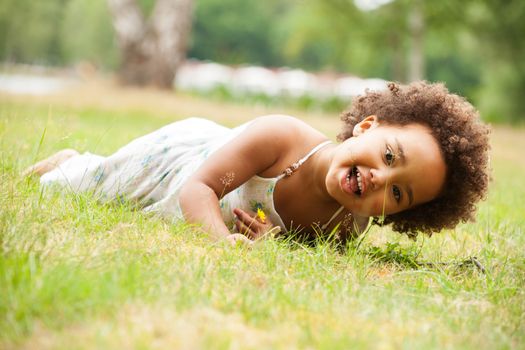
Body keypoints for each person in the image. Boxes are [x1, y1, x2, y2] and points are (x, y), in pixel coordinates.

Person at [24, 81, 490, 246]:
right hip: (179, 162)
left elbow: (290, 237)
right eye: (390, 156)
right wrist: (221, 243)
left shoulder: (347, 228)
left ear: (400, 215)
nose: (380, 178)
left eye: (398, 193)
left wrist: (273, 238)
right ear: (367, 127)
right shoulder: (281, 138)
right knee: (88, 186)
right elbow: (197, 189)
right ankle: (72, 160)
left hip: (204, 181)